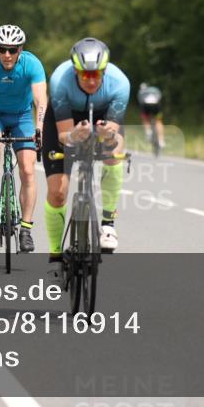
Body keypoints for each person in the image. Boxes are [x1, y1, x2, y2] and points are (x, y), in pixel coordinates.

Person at [43, 38, 129, 279]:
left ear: (104, 70)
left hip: (102, 115)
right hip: (65, 120)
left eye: (96, 74)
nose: (91, 80)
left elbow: (114, 135)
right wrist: (73, 136)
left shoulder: (120, 83)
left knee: (115, 152)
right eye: (84, 74)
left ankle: (108, 225)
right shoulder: (60, 80)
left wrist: (107, 136)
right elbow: (62, 136)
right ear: (75, 70)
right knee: (58, 192)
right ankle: (55, 255)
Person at [0, 25, 47, 253]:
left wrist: (40, 128)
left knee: (27, 169)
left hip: (22, 116)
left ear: (20, 49)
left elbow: (40, 100)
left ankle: (25, 229)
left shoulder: (32, 64)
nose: (7, 55)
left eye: (12, 50)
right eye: (2, 49)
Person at [137, 82, 165, 151]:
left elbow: (140, 102)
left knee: (145, 119)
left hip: (146, 106)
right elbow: (159, 97)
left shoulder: (141, 92)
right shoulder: (154, 89)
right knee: (158, 121)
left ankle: (148, 131)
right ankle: (161, 140)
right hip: (156, 106)